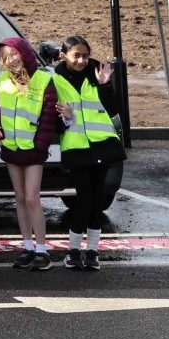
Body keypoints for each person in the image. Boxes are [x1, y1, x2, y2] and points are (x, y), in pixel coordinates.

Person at [51, 36, 124, 271]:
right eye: (76, 56)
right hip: (77, 149)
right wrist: (66, 118)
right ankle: (73, 251)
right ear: (64, 56)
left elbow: (113, 110)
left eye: (85, 55)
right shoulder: (54, 80)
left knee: (97, 202)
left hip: (103, 145)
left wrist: (104, 85)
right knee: (83, 201)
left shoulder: (97, 74)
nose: (82, 60)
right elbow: (53, 122)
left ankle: (92, 252)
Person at [0, 36, 64, 270]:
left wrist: (40, 145)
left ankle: (42, 249)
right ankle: (27, 246)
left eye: (14, 54)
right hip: (12, 147)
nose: (11, 60)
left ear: (24, 52)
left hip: (33, 150)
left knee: (31, 198)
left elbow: (49, 117)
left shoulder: (44, 80)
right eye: (6, 57)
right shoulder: (2, 81)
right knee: (20, 198)